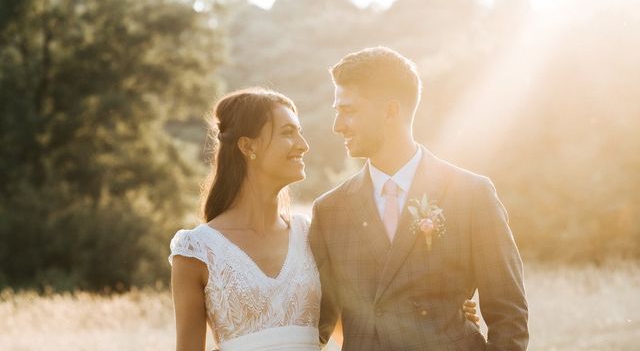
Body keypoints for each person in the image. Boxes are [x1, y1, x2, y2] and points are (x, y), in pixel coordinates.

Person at [169, 87, 480, 351]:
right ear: (248, 146)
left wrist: (444, 312)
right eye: (288, 133)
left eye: (300, 132)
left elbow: (361, 321)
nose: (304, 145)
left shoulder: (313, 235)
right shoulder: (196, 250)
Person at [309, 47, 529, 350]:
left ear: (390, 111)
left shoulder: (471, 194)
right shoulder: (329, 210)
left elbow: (509, 314)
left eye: (349, 111)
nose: (338, 125)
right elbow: (317, 324)